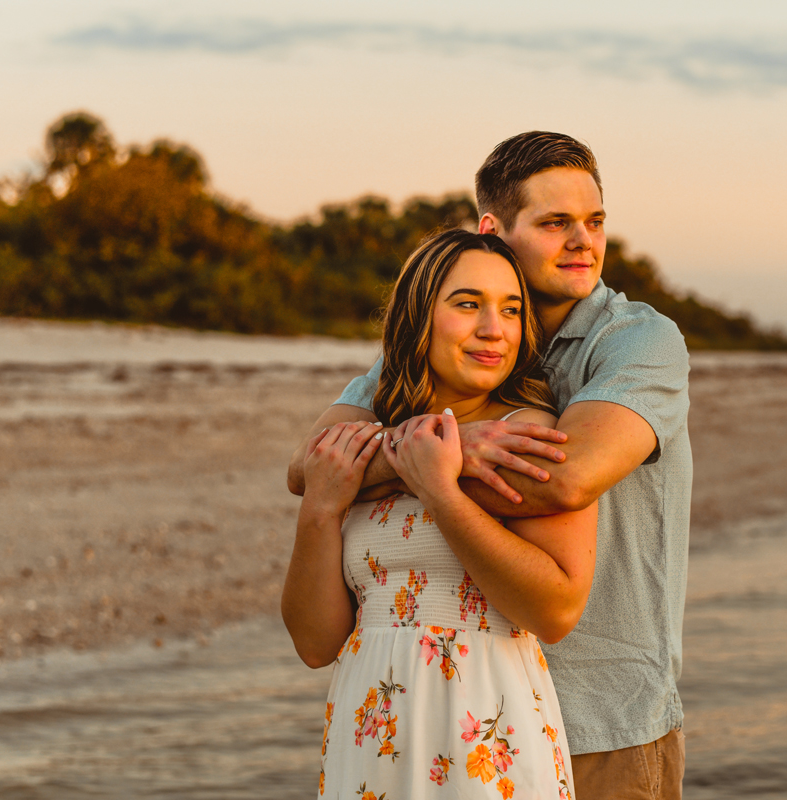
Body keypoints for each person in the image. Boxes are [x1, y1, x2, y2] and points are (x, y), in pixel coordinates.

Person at [289, 132, 691, 799]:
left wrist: (428, 464)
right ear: (493, 231)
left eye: (594, 223)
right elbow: (309, 470)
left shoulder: (637, 341)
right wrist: (450, 441)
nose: (583, 242)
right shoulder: (450, 339)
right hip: (400, 722)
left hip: (603, 716)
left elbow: (562, 478)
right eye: (555, 223)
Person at [283, 229, 595, 799]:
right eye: (467, 304)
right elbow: (314, 643)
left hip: (486, 734)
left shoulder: (529, 436)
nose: (493, 329)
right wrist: (322, 511)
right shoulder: (364, 436)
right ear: (418, 316)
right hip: (370, 733)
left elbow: (555, 611)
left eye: (511, 309)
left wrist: (443, 496)